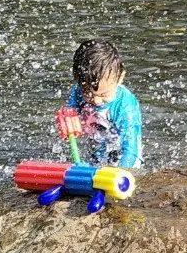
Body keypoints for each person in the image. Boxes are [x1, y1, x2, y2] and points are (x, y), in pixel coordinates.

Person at [55, 39, 142, 169]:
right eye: (88, 93)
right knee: (96, 161)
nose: (96, 101)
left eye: (103, 95)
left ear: (120, 78)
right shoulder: (78, 91)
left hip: (127, 159)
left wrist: (123, 171)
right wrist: (68, 118)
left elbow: (130, 146)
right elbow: (70, 109)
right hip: (97, 153)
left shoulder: (125, 106)